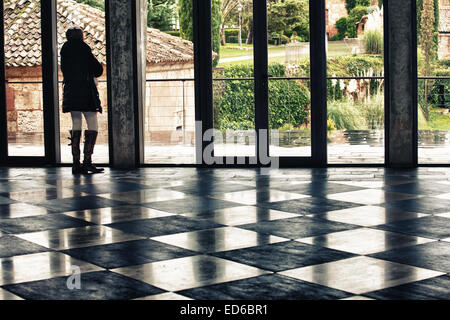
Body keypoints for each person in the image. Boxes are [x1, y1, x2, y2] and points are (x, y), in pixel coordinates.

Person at [60, 26, 104, 174]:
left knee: (76, 122)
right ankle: (87, 162)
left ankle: (75, 164)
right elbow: (98, 69)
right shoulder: (84, 49)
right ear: (81, 36)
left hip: (71, 92)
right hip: (85, 92)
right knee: (92, 123)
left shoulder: (64, 50)